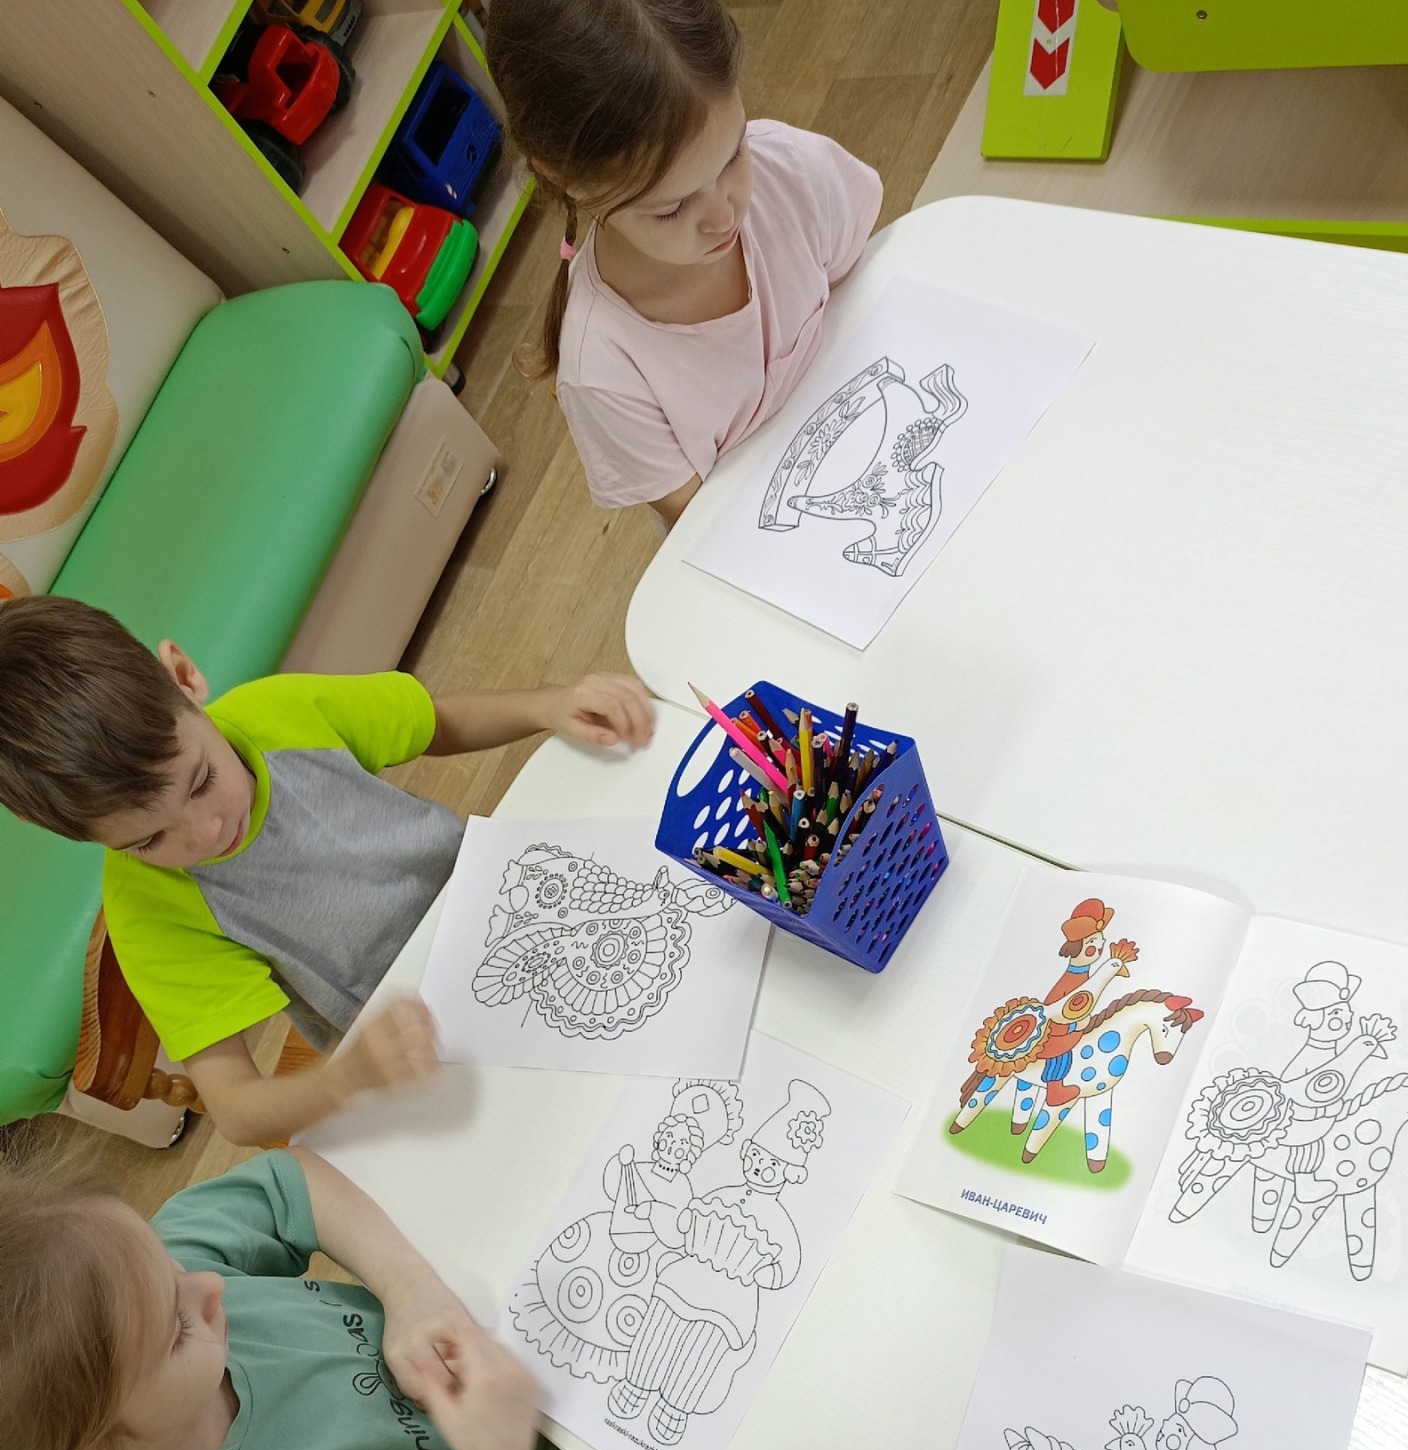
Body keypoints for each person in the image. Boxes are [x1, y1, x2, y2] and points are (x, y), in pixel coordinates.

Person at [0, 594, 655, 1146]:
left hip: (510, 902)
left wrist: (546, 706)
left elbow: (433, 721)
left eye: (201, 782)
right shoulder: (151, 913)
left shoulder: (278, 712)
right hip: (427, 1037)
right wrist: (346, 1079)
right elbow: (236, 1110)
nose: (206, 833)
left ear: (184, 678)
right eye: (149, 840)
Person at [0, 1138, 638, 1450]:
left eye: (174, 1269)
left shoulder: (137, 1289)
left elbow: (293, 1181)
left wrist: (407, 1287)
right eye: (177, 1331)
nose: (209, 1286)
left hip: (483, 1318)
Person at [484, 0, 883, 526]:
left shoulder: (791, 168)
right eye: (671, 208)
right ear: (567, 178)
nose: (724, 216)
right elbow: (702, 525)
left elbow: (870, 298)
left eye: (734, 153)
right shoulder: (604, 367)